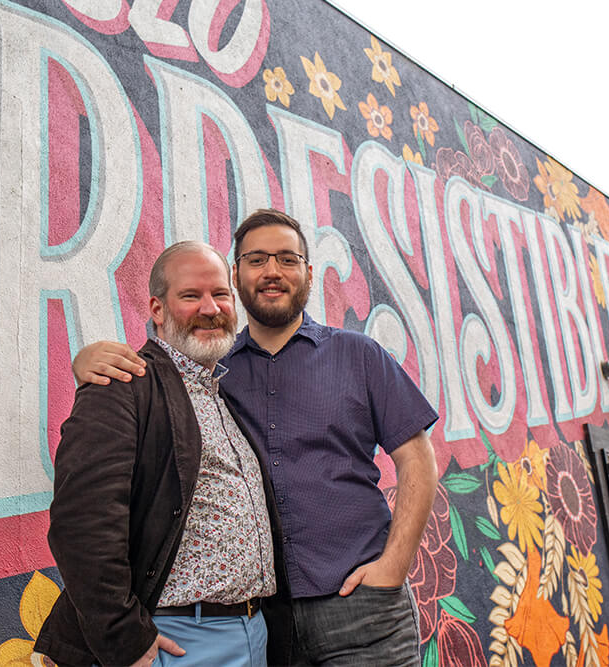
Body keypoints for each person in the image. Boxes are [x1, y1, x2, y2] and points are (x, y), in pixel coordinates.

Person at [73, 209, 439, 665]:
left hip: (362, 607)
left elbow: (417, 458)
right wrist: (87, 359)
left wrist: (394, 565)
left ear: (308, 272)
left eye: (287, 259)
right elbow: (152, 365)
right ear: (239, 274)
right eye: (257, 259)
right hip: (270, 622)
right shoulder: (213, 370)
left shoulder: (358, 354)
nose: (272, 271)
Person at [35, 241, 290, 667]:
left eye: (220, 294)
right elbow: (81, 521)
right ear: (157, 309)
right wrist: (125, 641)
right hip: (174, 639)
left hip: (251, 634)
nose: (210, 308)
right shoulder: (123, 383)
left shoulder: (223, 393)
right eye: (191, 296)